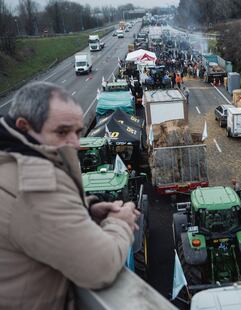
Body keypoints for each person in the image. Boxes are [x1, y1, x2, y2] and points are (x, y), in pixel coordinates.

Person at [0, 81, 139, 310]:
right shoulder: (34, 181)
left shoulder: (10, 161)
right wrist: (119, 222)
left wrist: (87, 209)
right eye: (62, 132)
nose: (75, 143)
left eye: (78, 132)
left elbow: (34, 221)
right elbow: (99, 267)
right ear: (24, 126)